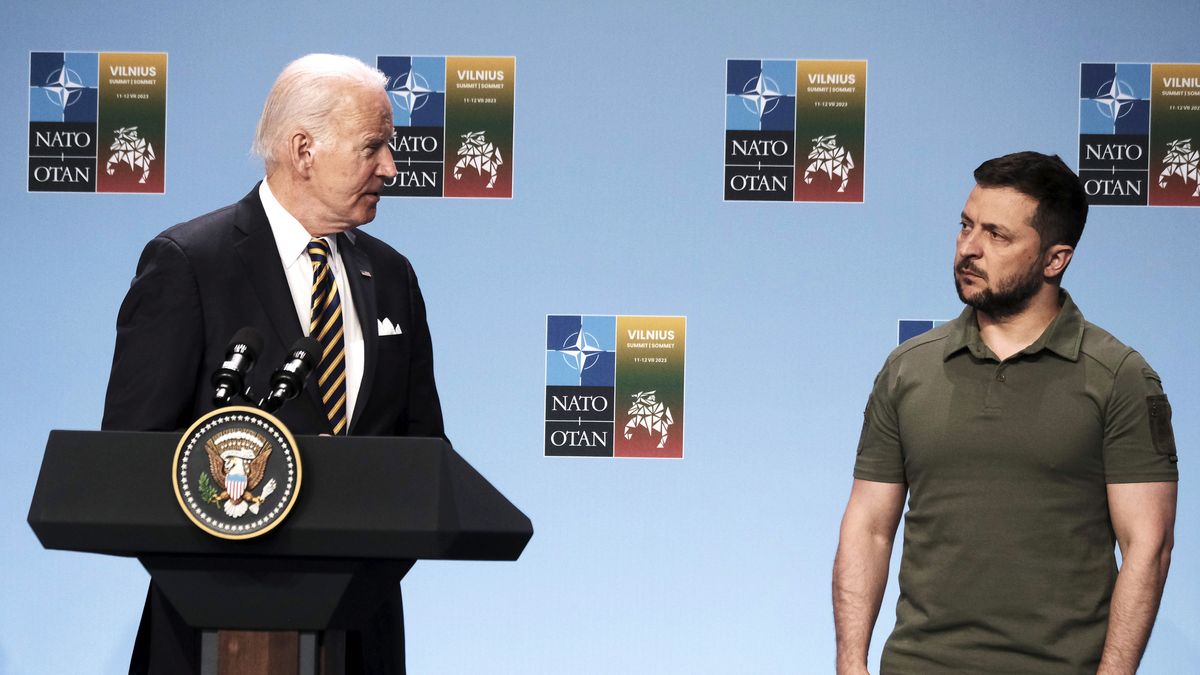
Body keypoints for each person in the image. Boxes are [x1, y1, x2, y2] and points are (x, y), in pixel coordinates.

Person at [102, 53, 443, 675]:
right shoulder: (189, 262)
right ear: (303, 149)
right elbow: (133, 456)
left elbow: (422, 455)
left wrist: (356, 577)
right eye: (373, 148)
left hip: (361, 637)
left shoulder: (393, 276)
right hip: (213, 631)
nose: (391, 168)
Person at [833, 151, 1178, 674]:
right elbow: (869, 526)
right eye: (966, 226)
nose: (969, 249)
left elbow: (1147, 547)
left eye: (997, 235)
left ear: (1054, 259)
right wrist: (850, 663)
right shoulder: (908, 369)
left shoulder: (1119, 377)